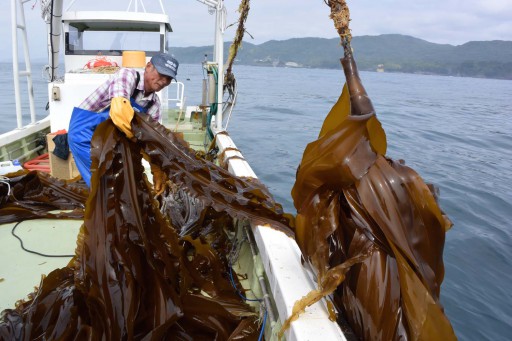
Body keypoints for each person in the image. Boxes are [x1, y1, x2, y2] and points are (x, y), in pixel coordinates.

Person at [68, 52, 179, 193]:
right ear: (149, 66)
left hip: (114, 140)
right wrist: (135, 137)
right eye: (161, 74)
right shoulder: (128, 76)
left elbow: (152, 141)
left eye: (168, 78)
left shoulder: (154, 104)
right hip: (85, 131)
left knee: (121, 179)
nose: (163, 81)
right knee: (104, 181)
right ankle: (105, 208)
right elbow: (120, 111)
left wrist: (156, 168)